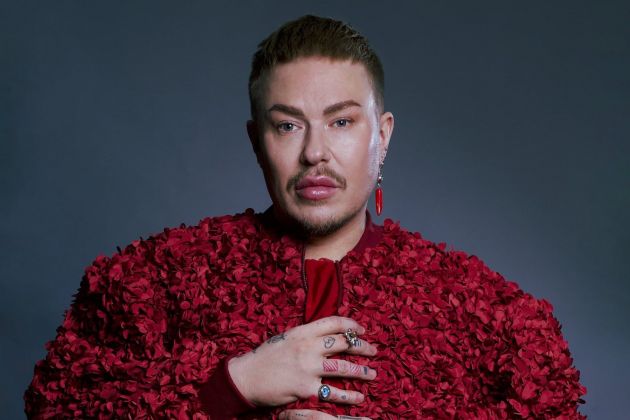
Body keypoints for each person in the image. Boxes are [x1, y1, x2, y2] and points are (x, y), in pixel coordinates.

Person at [24, 15, 586, 419]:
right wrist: (234, 385)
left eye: (341, 122)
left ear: (382, 136)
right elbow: (56, 403)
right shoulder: (158, 278)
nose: (315, 152)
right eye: (288, 125)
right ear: (257, 141)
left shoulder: (481, 307)